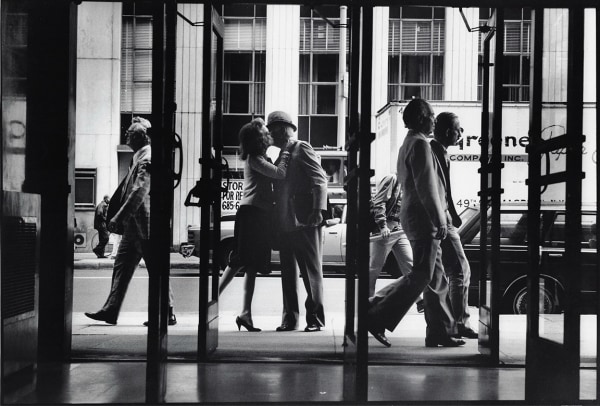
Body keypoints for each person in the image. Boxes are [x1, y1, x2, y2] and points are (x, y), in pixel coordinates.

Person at [367, 98, 464, 348]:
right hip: (423, 219)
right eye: (431, 115)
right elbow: (426, 186)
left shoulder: (408, 143)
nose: (434, 119)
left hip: (415, 217)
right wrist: (439, 218)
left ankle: (440, 331)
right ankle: (374, 312)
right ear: (421, 118)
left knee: (437, 278)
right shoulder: (420, 144)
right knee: (422, 274)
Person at [85, 118, 177, 326]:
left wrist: (119, 218)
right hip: (135, 227)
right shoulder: (139, 158)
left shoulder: (147, 158)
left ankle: (167, 311)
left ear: (139, 137)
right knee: (122, 266)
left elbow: (139, 192)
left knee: (156, 269)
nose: (126, 136)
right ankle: (111, 310)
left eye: (129, 133)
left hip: (145, 226)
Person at [218, 118, 292, 332]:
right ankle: (213, 301)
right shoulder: (254, 159)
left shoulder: (259, 157)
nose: (268, 133)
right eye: (264, 131)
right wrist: (286, 152)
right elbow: (280, 174)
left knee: (249, 265)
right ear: (258, 139)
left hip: (257, 214)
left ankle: (245, 314)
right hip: (253, 214)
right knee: (242, 261)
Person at [267, 110, 328, 332]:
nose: (269, 132)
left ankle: (315, 319)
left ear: (282, 128)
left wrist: (318, 210)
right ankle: (290, 319)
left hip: (305, 220)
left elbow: (320, 180)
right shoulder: (280, 153)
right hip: (285, 222)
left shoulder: (301, 147)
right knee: (288, 274)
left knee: (311, 271)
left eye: (272, 128)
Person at [431, 112, 478, 339]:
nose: (461, 134)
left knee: (445, 273)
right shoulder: (436, 151)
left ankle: (450, 323)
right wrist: (447, 217)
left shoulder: (440, 152)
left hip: (444, 219)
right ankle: (459, 322)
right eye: (459, 129)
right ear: (450, 131)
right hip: (442, 221)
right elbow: (439, 190)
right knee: (460, 270)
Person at [369, 173, 424, 313]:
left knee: (410, 265)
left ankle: (419, 301)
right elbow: (379, 201)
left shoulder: (410, 181)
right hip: (386, 227)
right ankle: (368, 302)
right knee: (374, 268)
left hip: (400, 228)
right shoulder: (392, 178)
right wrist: (382, 225)